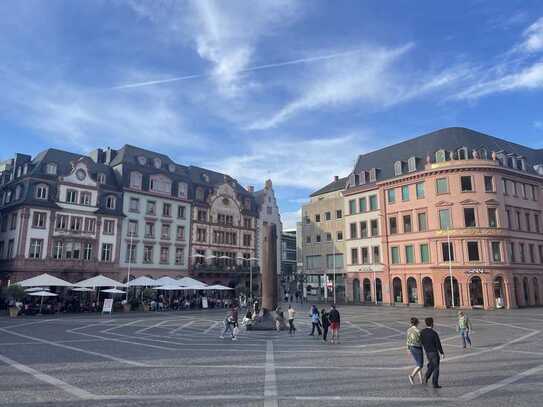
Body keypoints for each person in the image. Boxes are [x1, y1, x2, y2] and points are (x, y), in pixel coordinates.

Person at [420, 317, 444, 389]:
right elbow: (438, 344)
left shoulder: (422, 332)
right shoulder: (434, 333)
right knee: (436, 368)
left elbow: (421, 341)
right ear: (432, 323)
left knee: (431, 366)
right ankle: (435, 383)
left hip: (427, 352)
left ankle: (426, 377)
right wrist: (442, 352)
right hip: (434, 352)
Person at [406, 317, 424, 384]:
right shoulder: (418, 331)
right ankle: (412, 376)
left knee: (418, 363)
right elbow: (421, 340)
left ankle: (421, 380)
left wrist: (407, 348)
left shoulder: (408, 330)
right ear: (417, 323)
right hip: (417, 348)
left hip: (411, 347)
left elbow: (407, 339)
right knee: (420, 365)